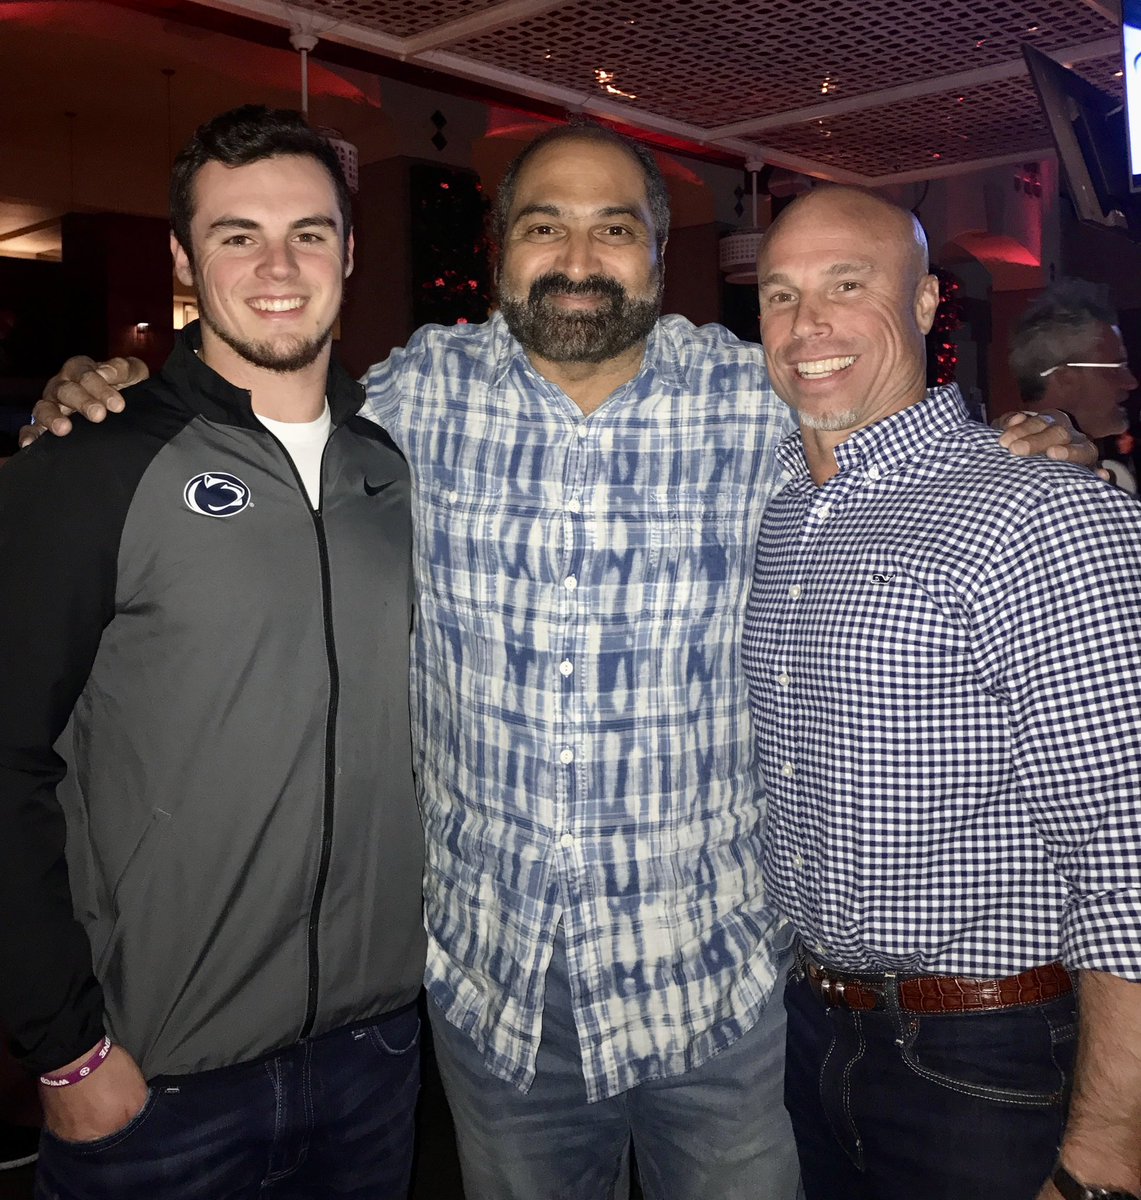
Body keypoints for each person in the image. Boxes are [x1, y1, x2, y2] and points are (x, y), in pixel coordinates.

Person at [24, 122, 1092, 1200]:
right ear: (499, 251)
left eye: (613, 229)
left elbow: (878, 418)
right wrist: (103, 393)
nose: (578, 260)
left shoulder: (752, 397)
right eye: (545, 227)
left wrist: (1043, 446)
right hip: (501, 1000)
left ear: (658, 253)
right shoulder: (406, 402)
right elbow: (256, 405)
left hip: (713, 998)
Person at [0, 105, 424, 1199]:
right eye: (238, 235)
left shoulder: (401, 469)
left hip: (375, 1062)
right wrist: (64, 1048)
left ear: (349, 250)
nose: (278, 266)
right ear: (185, 257)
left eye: (310, 233)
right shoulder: (90, 464)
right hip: (158, 1088)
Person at [744, 185, 1141, 1199]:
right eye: (780, 294)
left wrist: (1107, 1150)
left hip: (990, 1058)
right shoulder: (781, 512)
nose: (806, 325)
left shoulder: (1041, 515)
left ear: (927, 305)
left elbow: (1126, 852)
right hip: (812, 1036)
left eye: (847, 285)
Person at [1010, 277, 1140, 491]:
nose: (1131, 383)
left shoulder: (1110, 470)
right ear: (1064, 378)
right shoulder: (1032, 480)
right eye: (1116, 367)